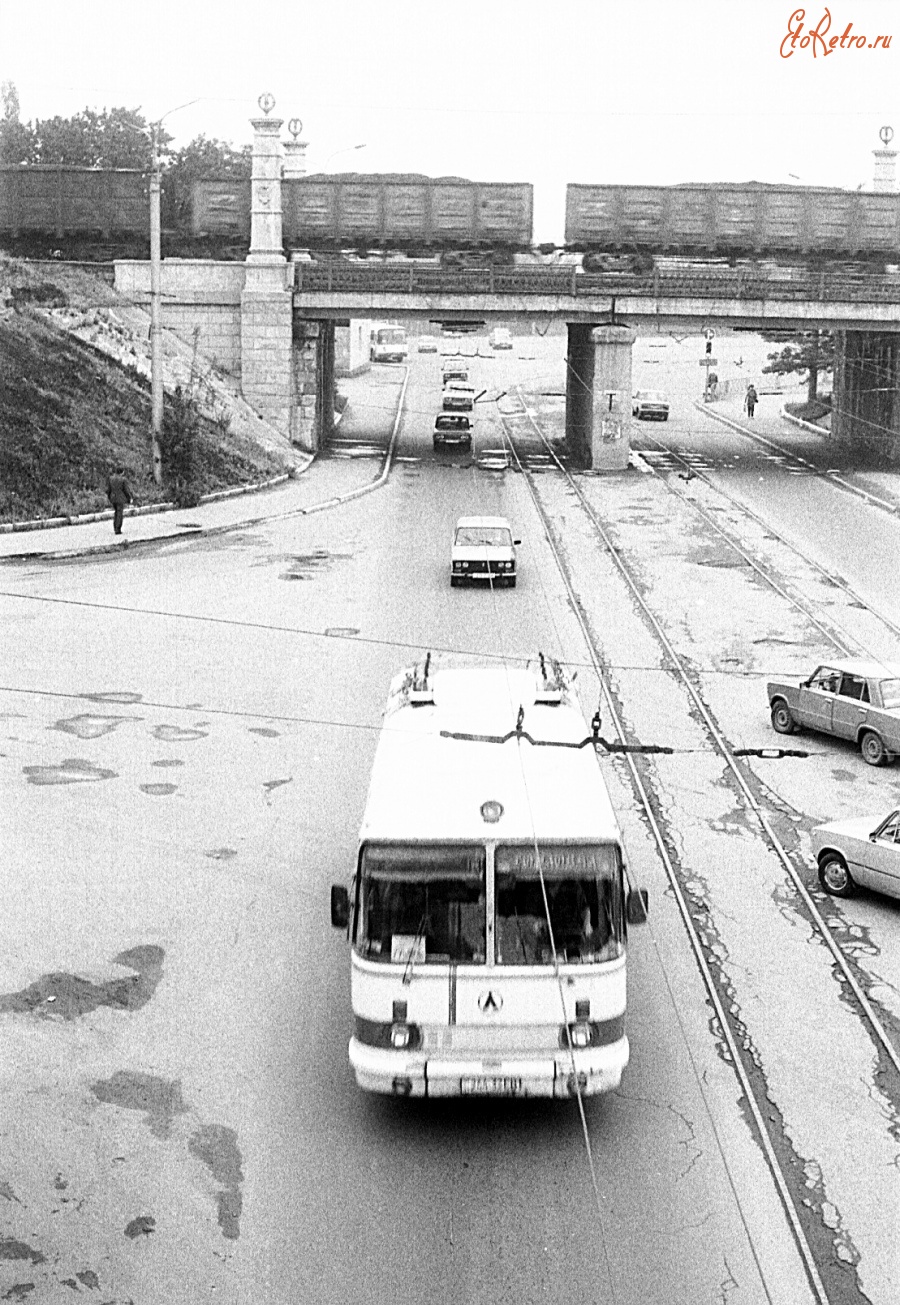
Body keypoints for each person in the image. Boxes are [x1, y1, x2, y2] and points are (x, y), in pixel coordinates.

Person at [105, 466, 134, 535]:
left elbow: (108, 490)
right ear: (122, 472)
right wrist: (130, 498)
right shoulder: (123, 479)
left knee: (116, 512)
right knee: (119, 513)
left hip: (113, 498)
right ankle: (118, 529)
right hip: (120, 498)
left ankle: (115, 526)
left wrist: (109, 497)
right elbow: (126, 490)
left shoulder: (111, 478)